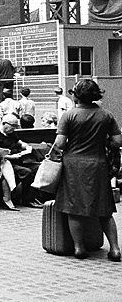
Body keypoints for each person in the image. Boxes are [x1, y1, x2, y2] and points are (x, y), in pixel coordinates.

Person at [51, 78, 122, 260]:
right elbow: (117, 141)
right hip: (98, 164)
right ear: (96, 94)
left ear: (76, 95)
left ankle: (79, 248)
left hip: (74, 165)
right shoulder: (106, 115)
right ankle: (114, 249)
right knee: (105, 209)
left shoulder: (69, 115)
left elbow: (59, 143)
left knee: (74, 207)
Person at [0, 114, 42, 208]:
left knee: (38, 168)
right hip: (5, 164)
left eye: (16, 127)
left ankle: (32, 197)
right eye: (13, 126)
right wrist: (12, 157)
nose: (14, 129)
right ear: (4, 124)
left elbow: (20, 143)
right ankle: (27, 200)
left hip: (18, 160)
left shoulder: (11, 133)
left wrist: (27, 147)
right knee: (27, 172)